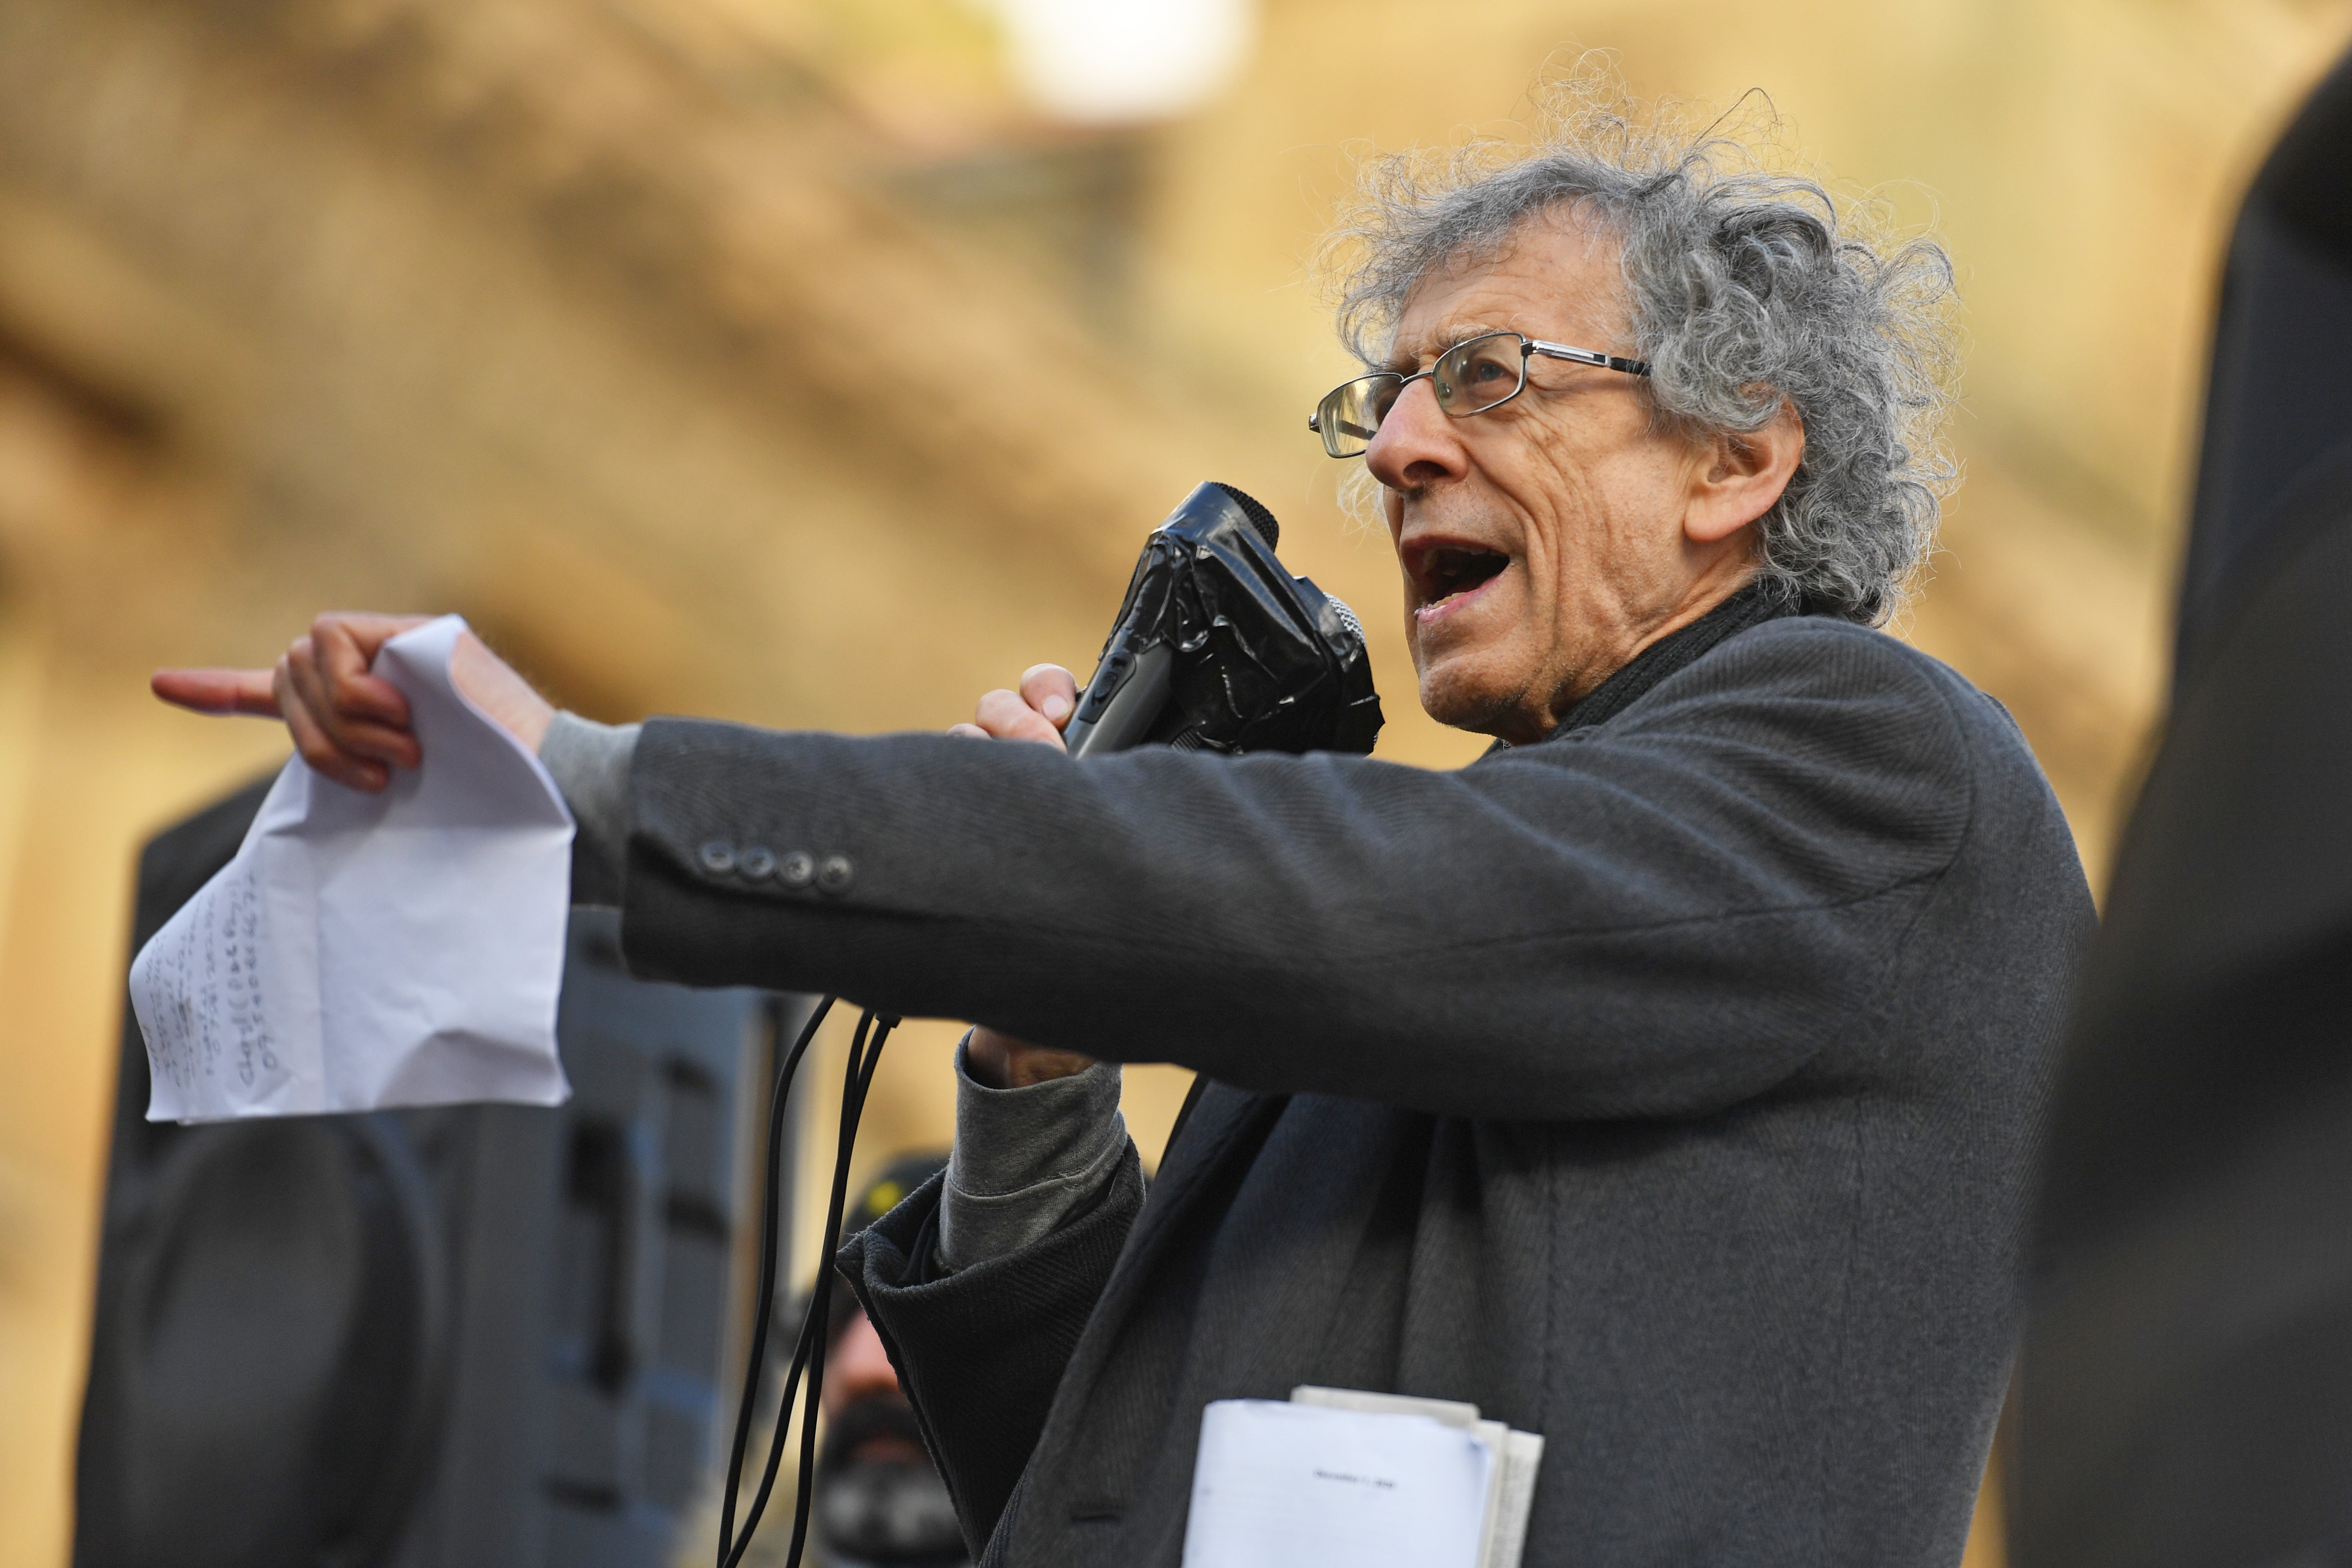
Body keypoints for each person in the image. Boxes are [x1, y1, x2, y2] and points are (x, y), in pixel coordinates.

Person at [154, 90, 2093, 1567]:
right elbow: (1093, 1484)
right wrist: (1038, 1058)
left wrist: (586, 779)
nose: (1404, 445)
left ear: (1737, 462)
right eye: (1388, 399)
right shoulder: (1483, 908)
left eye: (1490, 378)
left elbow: (1299, 896)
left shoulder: (1868, 760)